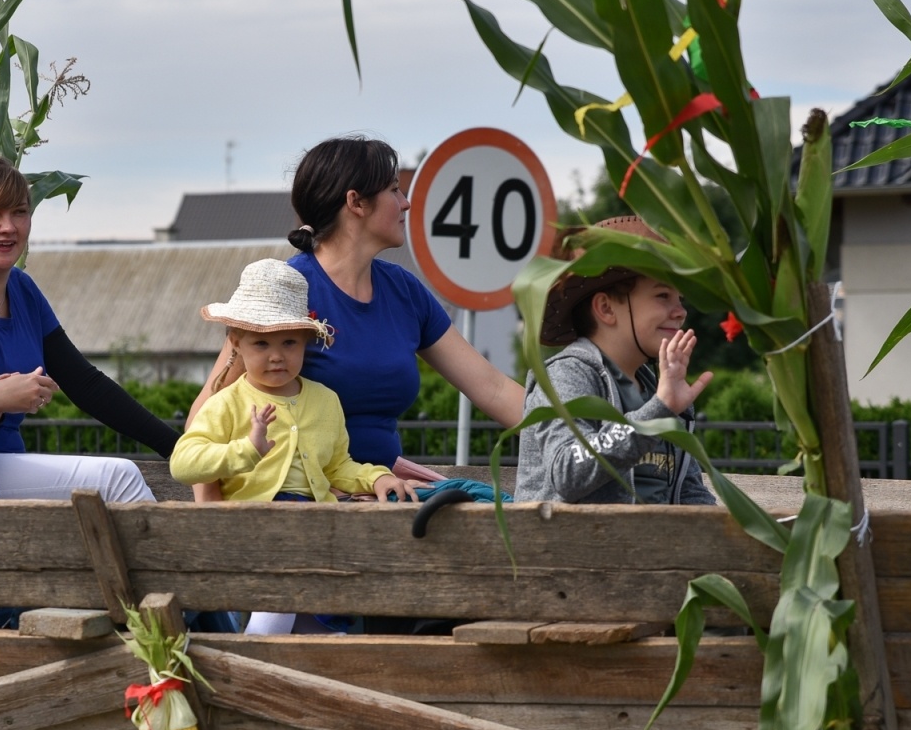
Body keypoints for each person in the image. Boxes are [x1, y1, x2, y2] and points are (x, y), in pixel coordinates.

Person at [190, 136, 524, 496]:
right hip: (306, 506)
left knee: (496, 506)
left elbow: (493, 388)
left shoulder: (404, 291)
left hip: (383, 490)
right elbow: (206, 416)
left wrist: (582, 435)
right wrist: (213, 521)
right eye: (395, 190)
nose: (406, 203)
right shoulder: (286, 291)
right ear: (356, 202)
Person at [0, 156, 178, 501]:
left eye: (19, 212)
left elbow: (85, 384)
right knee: (118, 477)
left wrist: (178, 448)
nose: (9, 226)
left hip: (6, 462)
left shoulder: (22, 288)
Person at [172, 258, 415, 506]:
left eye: (289, 343)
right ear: (236, 343)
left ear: (305, 341)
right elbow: (182, 464)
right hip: (249, 524)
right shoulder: (225, 403)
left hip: (319, 522)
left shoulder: (326, 400)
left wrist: (376, 479)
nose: (276, 356)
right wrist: (246, 450)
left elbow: (337, 467)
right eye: (261, 344)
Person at [514, 215, 716, 505]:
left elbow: (688, 491)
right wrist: (659, 412)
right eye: (663, 295)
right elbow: (568, 471)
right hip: (574, 549)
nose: (680, 311)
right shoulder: (568, 374)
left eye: (680, 298)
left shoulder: (658, 387)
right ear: (607, 308)